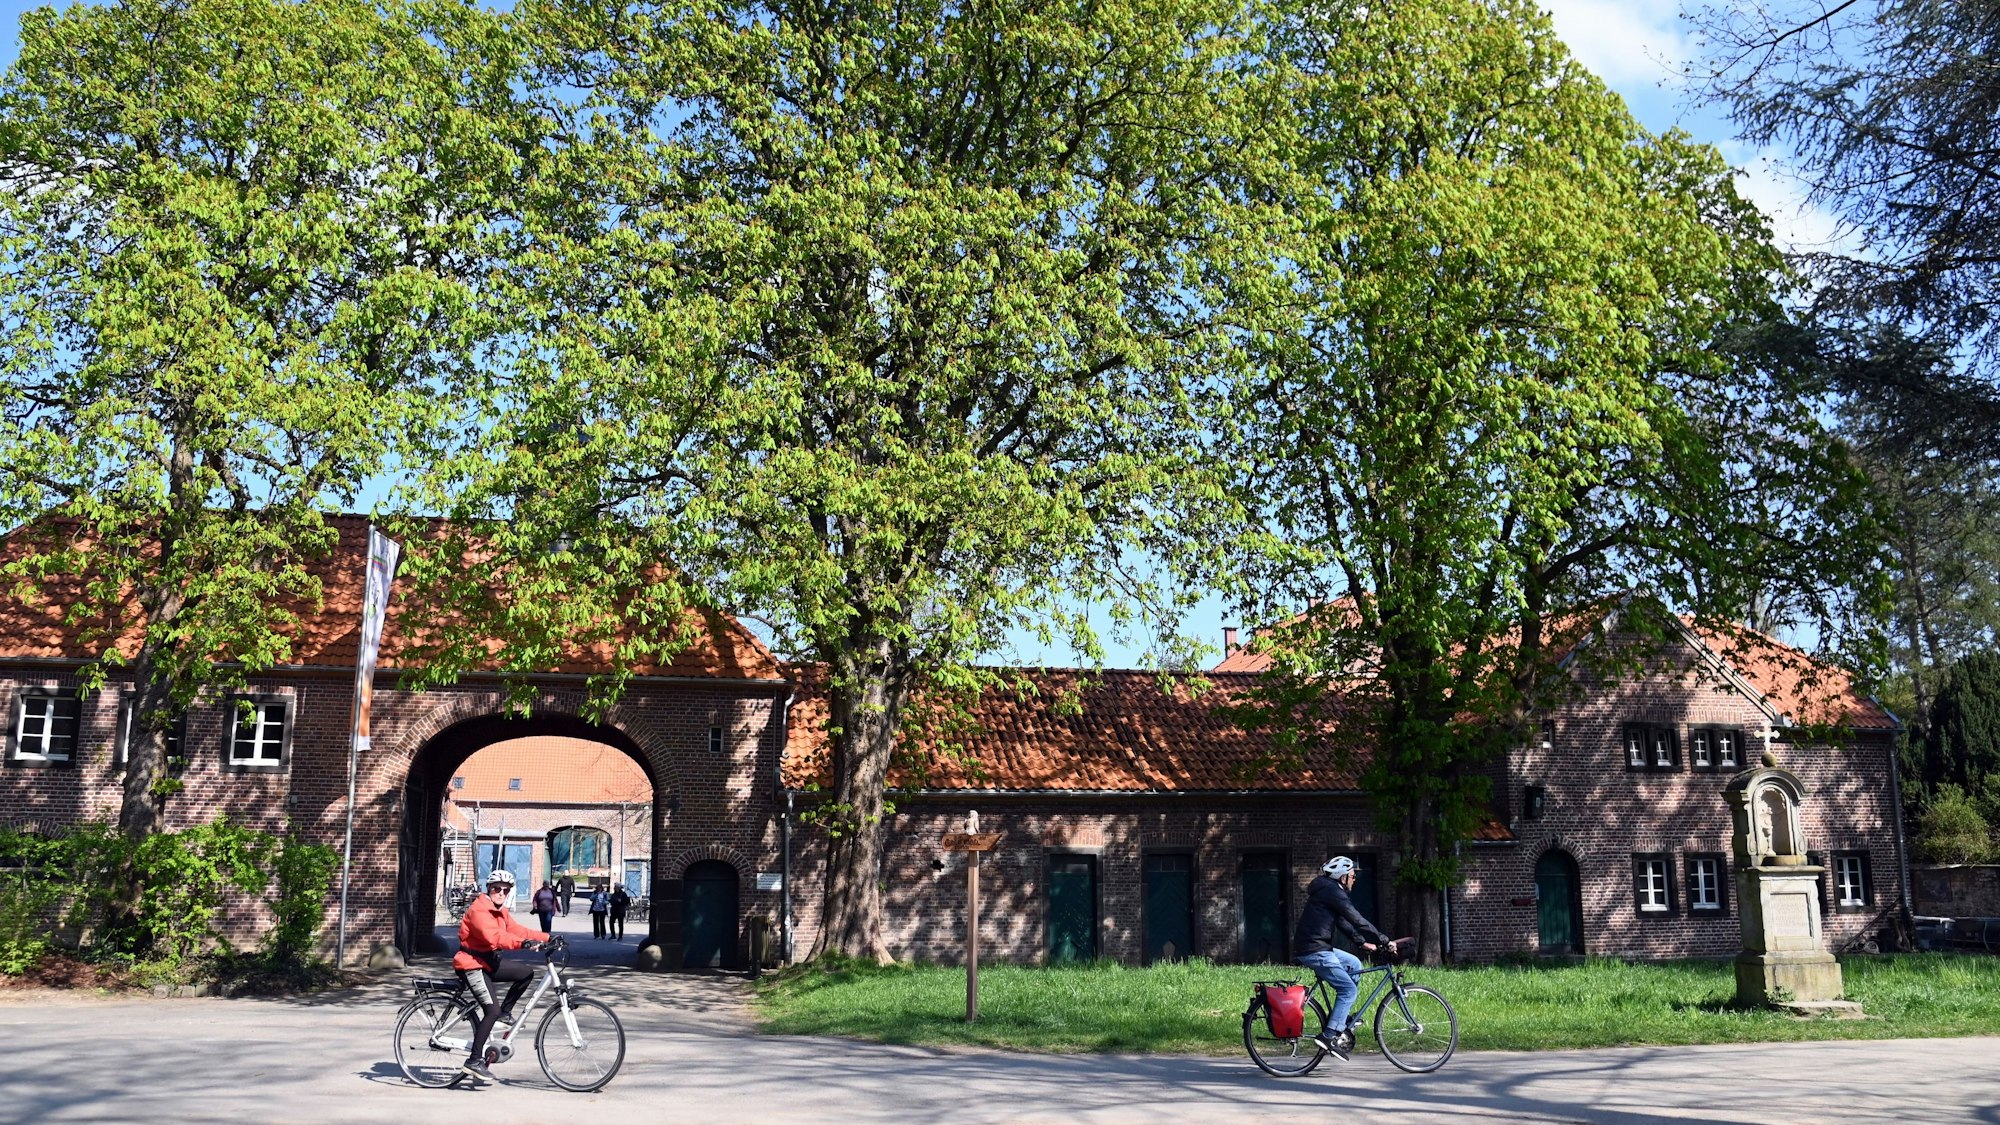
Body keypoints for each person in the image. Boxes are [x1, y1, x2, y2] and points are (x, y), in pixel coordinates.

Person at [1291, 855, 1393, 1060]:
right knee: (1348, 990)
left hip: (1316, 947)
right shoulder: (1333, 891)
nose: (1354, 880)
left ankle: (1340, 1019)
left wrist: (1361, 943)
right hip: (1315, 950)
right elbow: (1355, 918)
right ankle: (1329, 1035)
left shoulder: (1328, 891)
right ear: (1342, 877)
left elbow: (1341, 922)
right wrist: (1383, 939)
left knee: (1354, 963)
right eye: (1352, 876)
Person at [453, 869, 544, 1085]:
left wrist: (548, 937)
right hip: (472, 965)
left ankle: (505, 1014)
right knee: (490, 1010)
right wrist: (524, 944)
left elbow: (516, 929)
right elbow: (495, 938)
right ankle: (474, 1060)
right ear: (489, 889)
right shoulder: (479, 910)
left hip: (488, 963)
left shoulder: (500, 911)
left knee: (525, 973)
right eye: (497, 889)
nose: (501, 893)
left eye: (506, 890)